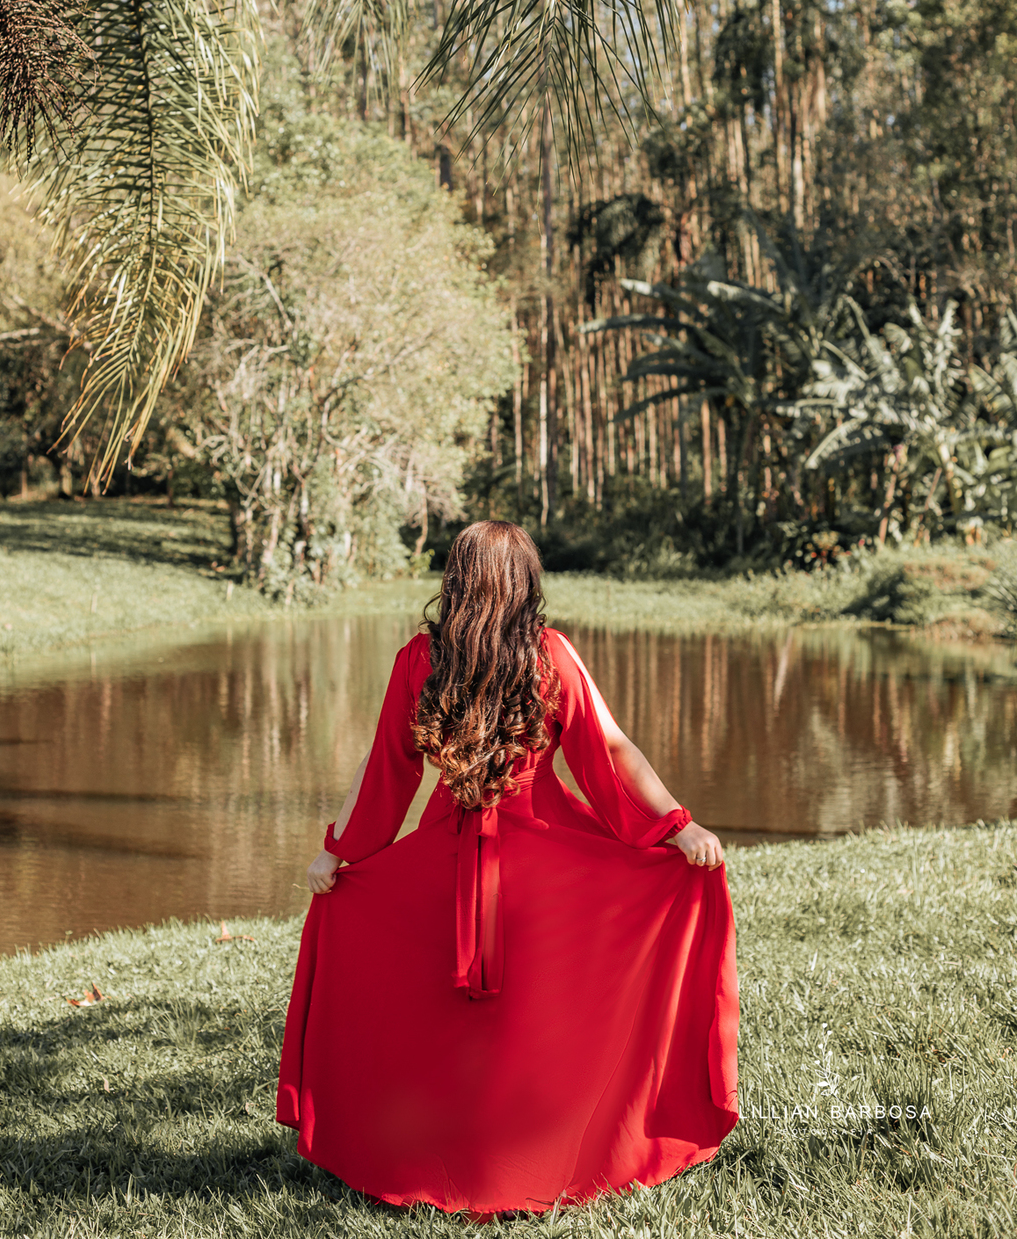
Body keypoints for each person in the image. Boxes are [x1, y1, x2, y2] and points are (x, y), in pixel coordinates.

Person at [276, 520, 738, 1217]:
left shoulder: (418, 662)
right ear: (525, 584)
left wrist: (340, 851)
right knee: (544, 1017)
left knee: (445, 1024)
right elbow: (609, 753)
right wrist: (675, 825)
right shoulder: (551, 656)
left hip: (444, 858)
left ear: (456, 582)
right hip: (547, 864)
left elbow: (385, 775)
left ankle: (446, 1164)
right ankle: (545, 1160)